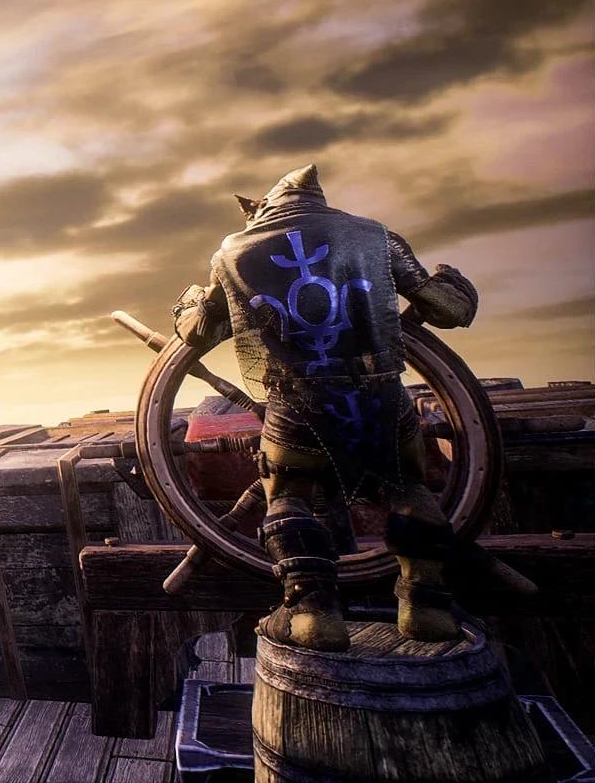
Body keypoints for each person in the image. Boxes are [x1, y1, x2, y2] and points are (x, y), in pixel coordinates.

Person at [172, 165, 478, 650]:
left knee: (287, 497)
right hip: (379, 397)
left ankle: (313, 615)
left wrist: (189, 302)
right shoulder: (375, 236)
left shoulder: (233, 253)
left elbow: (197, 332)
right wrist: (452, 281)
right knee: (409, 487)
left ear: (260, 208)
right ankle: (426, 608)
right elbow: (449, 310)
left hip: (295, 406)